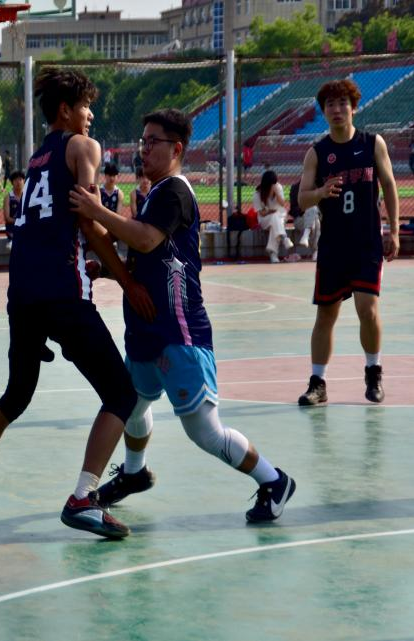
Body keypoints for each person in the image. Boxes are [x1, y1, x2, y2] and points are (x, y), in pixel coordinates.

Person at [0, 68, 156, 540]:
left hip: (22, 292)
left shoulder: (36, 158)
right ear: (65, 110)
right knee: (122, 395)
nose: (91, 114)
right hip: (62, 290)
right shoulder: (84, 148)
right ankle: (84, 498)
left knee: (16, 395)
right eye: (85, 106)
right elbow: (90, 222)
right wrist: (126, 280)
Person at [69, 108, 296, 524]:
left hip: (178, 331)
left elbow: (145, 238)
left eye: (152, 142)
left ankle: (274, 480)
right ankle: (134, 473)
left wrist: (97, 211)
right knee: (132, 405)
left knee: (205, 431)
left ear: (176, 149)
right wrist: (111, 269)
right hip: (146, 328)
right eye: (142, 141)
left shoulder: (174, 191)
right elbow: (149, 256)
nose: (143, 149)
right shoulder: (156, 193)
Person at [296, 78, 400, 406]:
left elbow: (389, 185)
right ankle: (318, 383)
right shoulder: (317, 152)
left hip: (366, 243)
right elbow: (301, 199)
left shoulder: (372, 144)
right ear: (323, 111)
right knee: (326, 314)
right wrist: (320, 192)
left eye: (343, 103)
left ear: (354, 108)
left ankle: (373, 372)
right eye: (330, 104)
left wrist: (394, 230)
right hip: (333, 245)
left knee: (367, 309)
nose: (337, 109)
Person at [253, 170, 294, 263]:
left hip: (281, 216)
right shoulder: (258, 194)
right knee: (274, 218)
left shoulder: (278, 187)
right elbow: (262, 213)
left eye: (275, 183)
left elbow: (282, 204)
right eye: (272, 184)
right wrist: (270, 211)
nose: (274, 186)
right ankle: (284, 238)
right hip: (265, 219)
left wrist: (277, 193)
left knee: (275, 224)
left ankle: (273, 253)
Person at [99, 162, 127, 261]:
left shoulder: (119, 193)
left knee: (125, 229)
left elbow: (118, 214)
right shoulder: (99, 191)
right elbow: (98, 212)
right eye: (109, 175)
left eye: (114, 175)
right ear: (105, 176)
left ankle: (121, 255)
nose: (112, 178)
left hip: (113, 223)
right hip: (101, 222)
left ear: (117, 176)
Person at [288, 180, 320, 261]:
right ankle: (316, 251)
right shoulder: (295, 188)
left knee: (315, 219)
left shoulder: (318, 187)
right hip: (300, 219)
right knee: (313, 210)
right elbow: (293, 210)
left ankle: (306, 235)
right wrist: (304, 209)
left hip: (315, 219)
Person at [2, 169, 26, 251]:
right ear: (12, 182)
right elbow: (7, 218)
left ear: (24, 181)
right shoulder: (8, 197)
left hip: (25, 226)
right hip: (13, 227)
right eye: (15, 180)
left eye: (20, 179)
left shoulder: (27, 196)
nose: (18, 182)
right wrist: (20, 221)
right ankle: (11, 241)